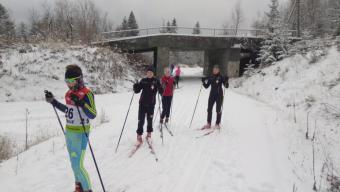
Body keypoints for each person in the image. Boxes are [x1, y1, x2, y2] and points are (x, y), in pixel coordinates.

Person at [45, 64, 96, 192]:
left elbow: (93, 114)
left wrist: (82, 103)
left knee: (78, 165)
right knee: (74, 164)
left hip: (81, 133)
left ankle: (88, 190)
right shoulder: (68, 94)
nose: (69, 84)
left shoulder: (87, 94)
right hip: (70, 132)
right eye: (67, 81)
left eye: (71, 81)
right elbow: (68, 110)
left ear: (79, 79)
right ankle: (78, 186)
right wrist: (53, 102)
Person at [133, 66, 163, 144]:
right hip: (142, 104)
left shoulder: (156, 81)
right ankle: (139, 135)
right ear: (146, 73)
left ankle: (149, 134)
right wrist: (135, 86)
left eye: (151, 72)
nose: (149, 74)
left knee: (149, 120)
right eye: (148, 72)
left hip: (151, 104)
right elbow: (137, 91)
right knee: (141, 120)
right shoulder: (143, 80)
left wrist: (162, 90)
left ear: (153, 73)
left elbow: (161, 91)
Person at [201, 65, 229, 129]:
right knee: (209, 109)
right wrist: (203, 82)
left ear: (218, 70)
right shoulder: (211, 77)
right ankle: (208, 123)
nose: (215, 70)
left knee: (218, 110)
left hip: (219, 96)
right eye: (214, 69)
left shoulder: (221, 77)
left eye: (216, 69)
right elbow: (206, 86)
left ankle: (217, 123)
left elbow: (226, 86)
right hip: (212, 95)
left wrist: (227, 81)